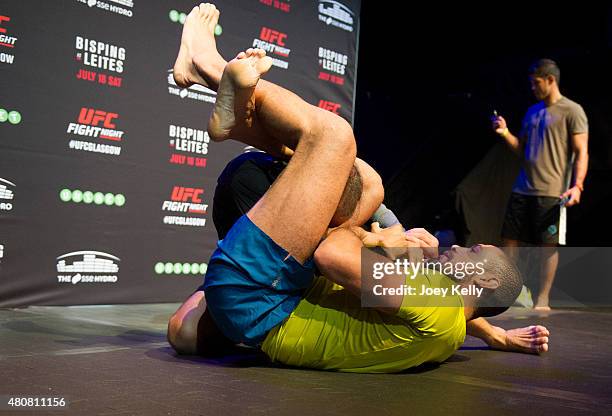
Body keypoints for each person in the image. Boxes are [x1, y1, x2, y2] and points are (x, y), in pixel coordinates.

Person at [167, 3, 549, 372]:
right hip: (266, 302)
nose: (462, 246)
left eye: (474, 250)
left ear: (485, 279)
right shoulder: (449, 320)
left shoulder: (437, 302)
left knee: (335, 136)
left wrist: (377, 243)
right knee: (366, 184)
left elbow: (332, 254)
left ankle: (210, 65)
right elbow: (460, 313)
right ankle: (238, 120)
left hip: (260, 296)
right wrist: (495, 333)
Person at [493, 59, 589, 310]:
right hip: (522, 188)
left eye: (536, 83)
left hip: (552, 192)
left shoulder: (572, 111)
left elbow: (582, 152)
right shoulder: (532, 112)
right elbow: (522, 151)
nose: (533, 88)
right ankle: (509, 292)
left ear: (550, 80)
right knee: (509, 241)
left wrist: (577, 185)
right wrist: (505, 134)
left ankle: (543, 299)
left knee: (547, 247)